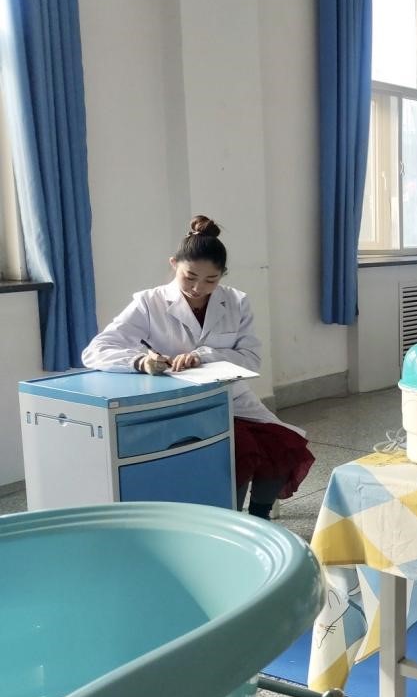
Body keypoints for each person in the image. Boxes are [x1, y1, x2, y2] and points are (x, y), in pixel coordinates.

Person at [82, 216, 314, 519]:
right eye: (189, 277)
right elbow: (96, 351)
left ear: (223, 275)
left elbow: (250, 358)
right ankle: (231, 521)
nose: (198, 288)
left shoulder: (236, 302)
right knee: (241, 452)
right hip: (183, 402)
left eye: (210, 280)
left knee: (283, 444)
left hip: (233, 398)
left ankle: (259, 518)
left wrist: (204, 355)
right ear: (174, 264)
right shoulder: (149, 302)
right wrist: (140, 361)